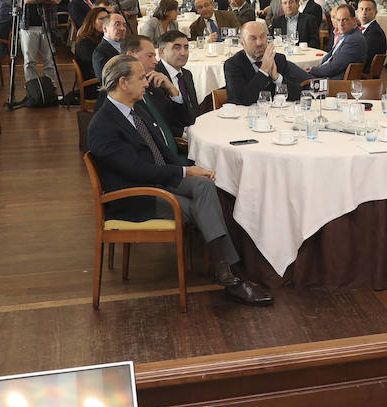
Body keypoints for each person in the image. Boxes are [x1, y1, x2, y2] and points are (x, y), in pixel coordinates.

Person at [88, 55, 270, 306]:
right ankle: (231, 275)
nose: (146, 82)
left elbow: (167, 143)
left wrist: (187, 169)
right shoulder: (103, 125)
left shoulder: (136, 107)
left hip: (160, 179)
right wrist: (185, 172)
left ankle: (225, 271)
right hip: (137, 196)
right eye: (141, 78)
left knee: (206, 185)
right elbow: (136, 171)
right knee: (199, 204)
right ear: (123, 83)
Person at [120, 36, 193, 149]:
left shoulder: (155, 83)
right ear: (131, 57)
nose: (155, 61)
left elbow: (184, 121)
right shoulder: (123, 97)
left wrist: (173, 91)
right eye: (149, 56)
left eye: (154, 56)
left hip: (173, 153)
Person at [223, 21, 306, 105]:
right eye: (253, 38)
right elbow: (242, 100)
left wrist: (277, 78)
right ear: (242, 43)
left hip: (276, 115)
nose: (259, 43)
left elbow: (298, 94)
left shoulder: (278, 59)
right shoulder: (233, 65)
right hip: (246, 116)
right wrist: (264, 71)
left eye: (262, 36)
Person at [17, 0, 61, 84]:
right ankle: (33, 89)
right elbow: (26, 0)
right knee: (29, 61)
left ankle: (51, 88)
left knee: (49, 60)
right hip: (28, 25)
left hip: (47, 24)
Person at [306, 4, 366, 81]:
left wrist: (312, 70)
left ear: (354, 21)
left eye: (345, 20)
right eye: (338, 20)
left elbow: (333, 68)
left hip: (331, 83)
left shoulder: (353, 40)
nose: (340, 24)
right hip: (326, 76)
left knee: (291, 70)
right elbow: (330, 56)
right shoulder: (347, 35)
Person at [156, 29, 202, 127]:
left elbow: (194, 109)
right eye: (177, 48)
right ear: (162, 51)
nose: (183, 53)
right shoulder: (156, 77)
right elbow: (162, 119)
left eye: (186, 47)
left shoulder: (186, 74)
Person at [74, 5, 111, 99]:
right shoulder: (84, 43)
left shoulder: (102, 39)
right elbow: (98, 65)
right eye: (101, 19)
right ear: (92, 21)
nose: (104, 22)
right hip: (94, 86)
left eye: (107, 19)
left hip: (105, 80)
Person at [92, 12, 129, 83]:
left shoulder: (126, 46)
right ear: (105, 28)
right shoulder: (100, 53)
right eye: (117, 24)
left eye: (124, 25)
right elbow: (105, 81)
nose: (122, 28)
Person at [354, 0, 386, 72]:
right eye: (361, 9)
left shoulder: (375, 32)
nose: (364, 12)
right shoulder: (362, 28)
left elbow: (364, 56)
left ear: (375, 13)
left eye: (368, 9)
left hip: (362, 71)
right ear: (357, 12)